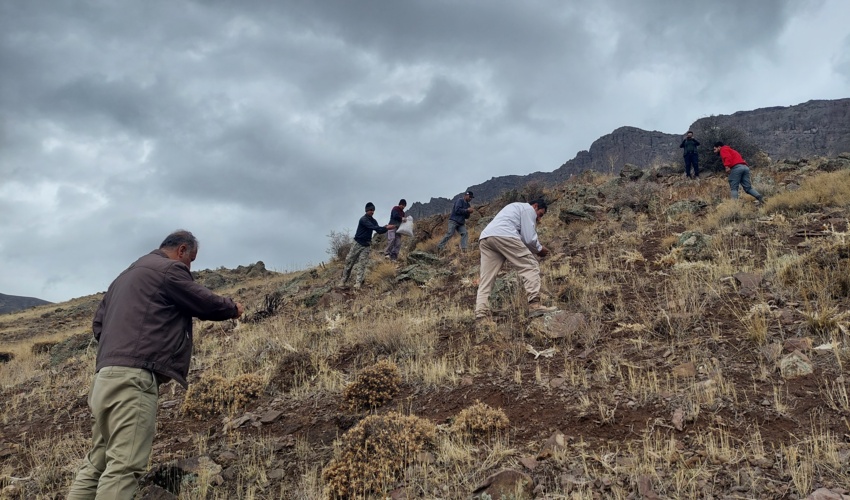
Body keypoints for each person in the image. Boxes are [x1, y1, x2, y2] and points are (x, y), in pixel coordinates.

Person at [68, 230, 244, 500]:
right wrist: (232, 307)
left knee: (96, 463)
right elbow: (201, 301)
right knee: (124, 467)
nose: (190, 267)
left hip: (104, 379)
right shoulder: (168, 269)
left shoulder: (124, 276)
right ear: (182, 250)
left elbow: (98, 325)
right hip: (134, 380)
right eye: (191, 260)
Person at [475, 200, 557, 323]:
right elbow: (529, 239)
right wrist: (539, 249)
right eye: (540, 214)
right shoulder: (527, 209)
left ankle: (481, 314)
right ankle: (535, 305)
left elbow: (522, 238)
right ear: (535, 206)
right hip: (504, 235)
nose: (539, 219)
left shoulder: (514, 208)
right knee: (530, 265)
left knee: (487, 278)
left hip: (486, 237)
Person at [340, 202, 395, 289]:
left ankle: (358, 283)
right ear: (366, 210)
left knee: (362, 264)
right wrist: (386, 227)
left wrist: (386, 227)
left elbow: (379, 231)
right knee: (349, 262)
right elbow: (374, 227)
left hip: (366, 245)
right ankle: (343, 281)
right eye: (370, 210)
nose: (372, 212)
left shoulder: (374, 221)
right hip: (357, 244)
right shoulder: (363, 219)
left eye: (373, 210)